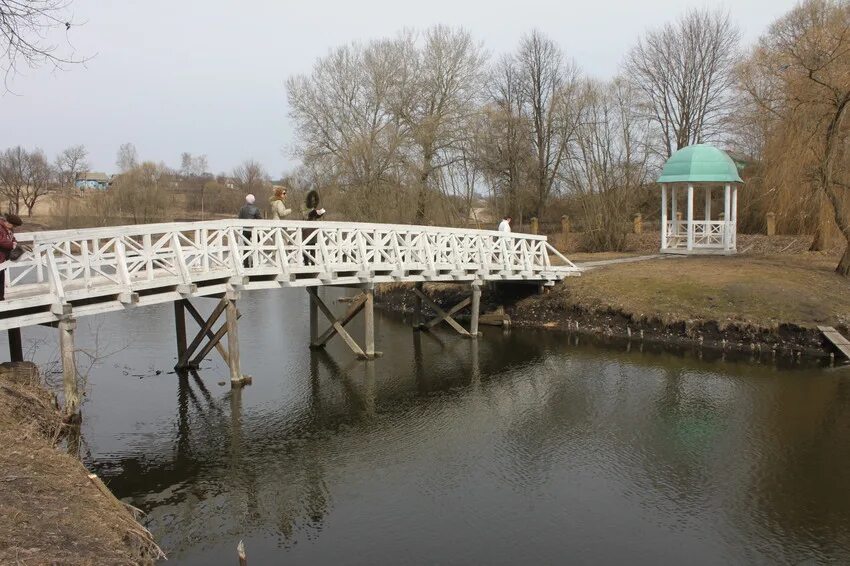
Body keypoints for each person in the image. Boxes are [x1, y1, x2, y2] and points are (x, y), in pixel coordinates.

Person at [0, 213, 22, 301]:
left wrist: (15, 242)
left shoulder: (9, 229)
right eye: (14, 226)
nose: (14, 228)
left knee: (1, 280)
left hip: (2, 258)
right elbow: (1, 241)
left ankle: (1, 299)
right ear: (8, 222)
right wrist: (11, 244)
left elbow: (12, 238)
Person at [238, 194, 262, 267]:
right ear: (253, 200)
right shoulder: (256, 209)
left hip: (245, 230)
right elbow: (260, 219)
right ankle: (255, 262)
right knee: (258, 244)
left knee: (246, 246)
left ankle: (246, 264)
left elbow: (239, 219)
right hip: (252, 230)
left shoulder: (242, 209)